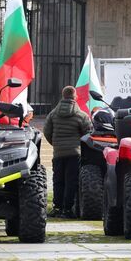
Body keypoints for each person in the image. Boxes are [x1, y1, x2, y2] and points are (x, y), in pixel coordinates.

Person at [44, 85, 91, 217]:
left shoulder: (53, 114)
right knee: (71, 181)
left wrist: (56, 144)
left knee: (58, 180)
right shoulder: (81, 115)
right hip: (74, 153)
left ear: (63, 96)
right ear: (74, 96)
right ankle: (68, 209)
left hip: (58, 153)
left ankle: (57, 208)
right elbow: (88, 133)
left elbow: (47, 132)